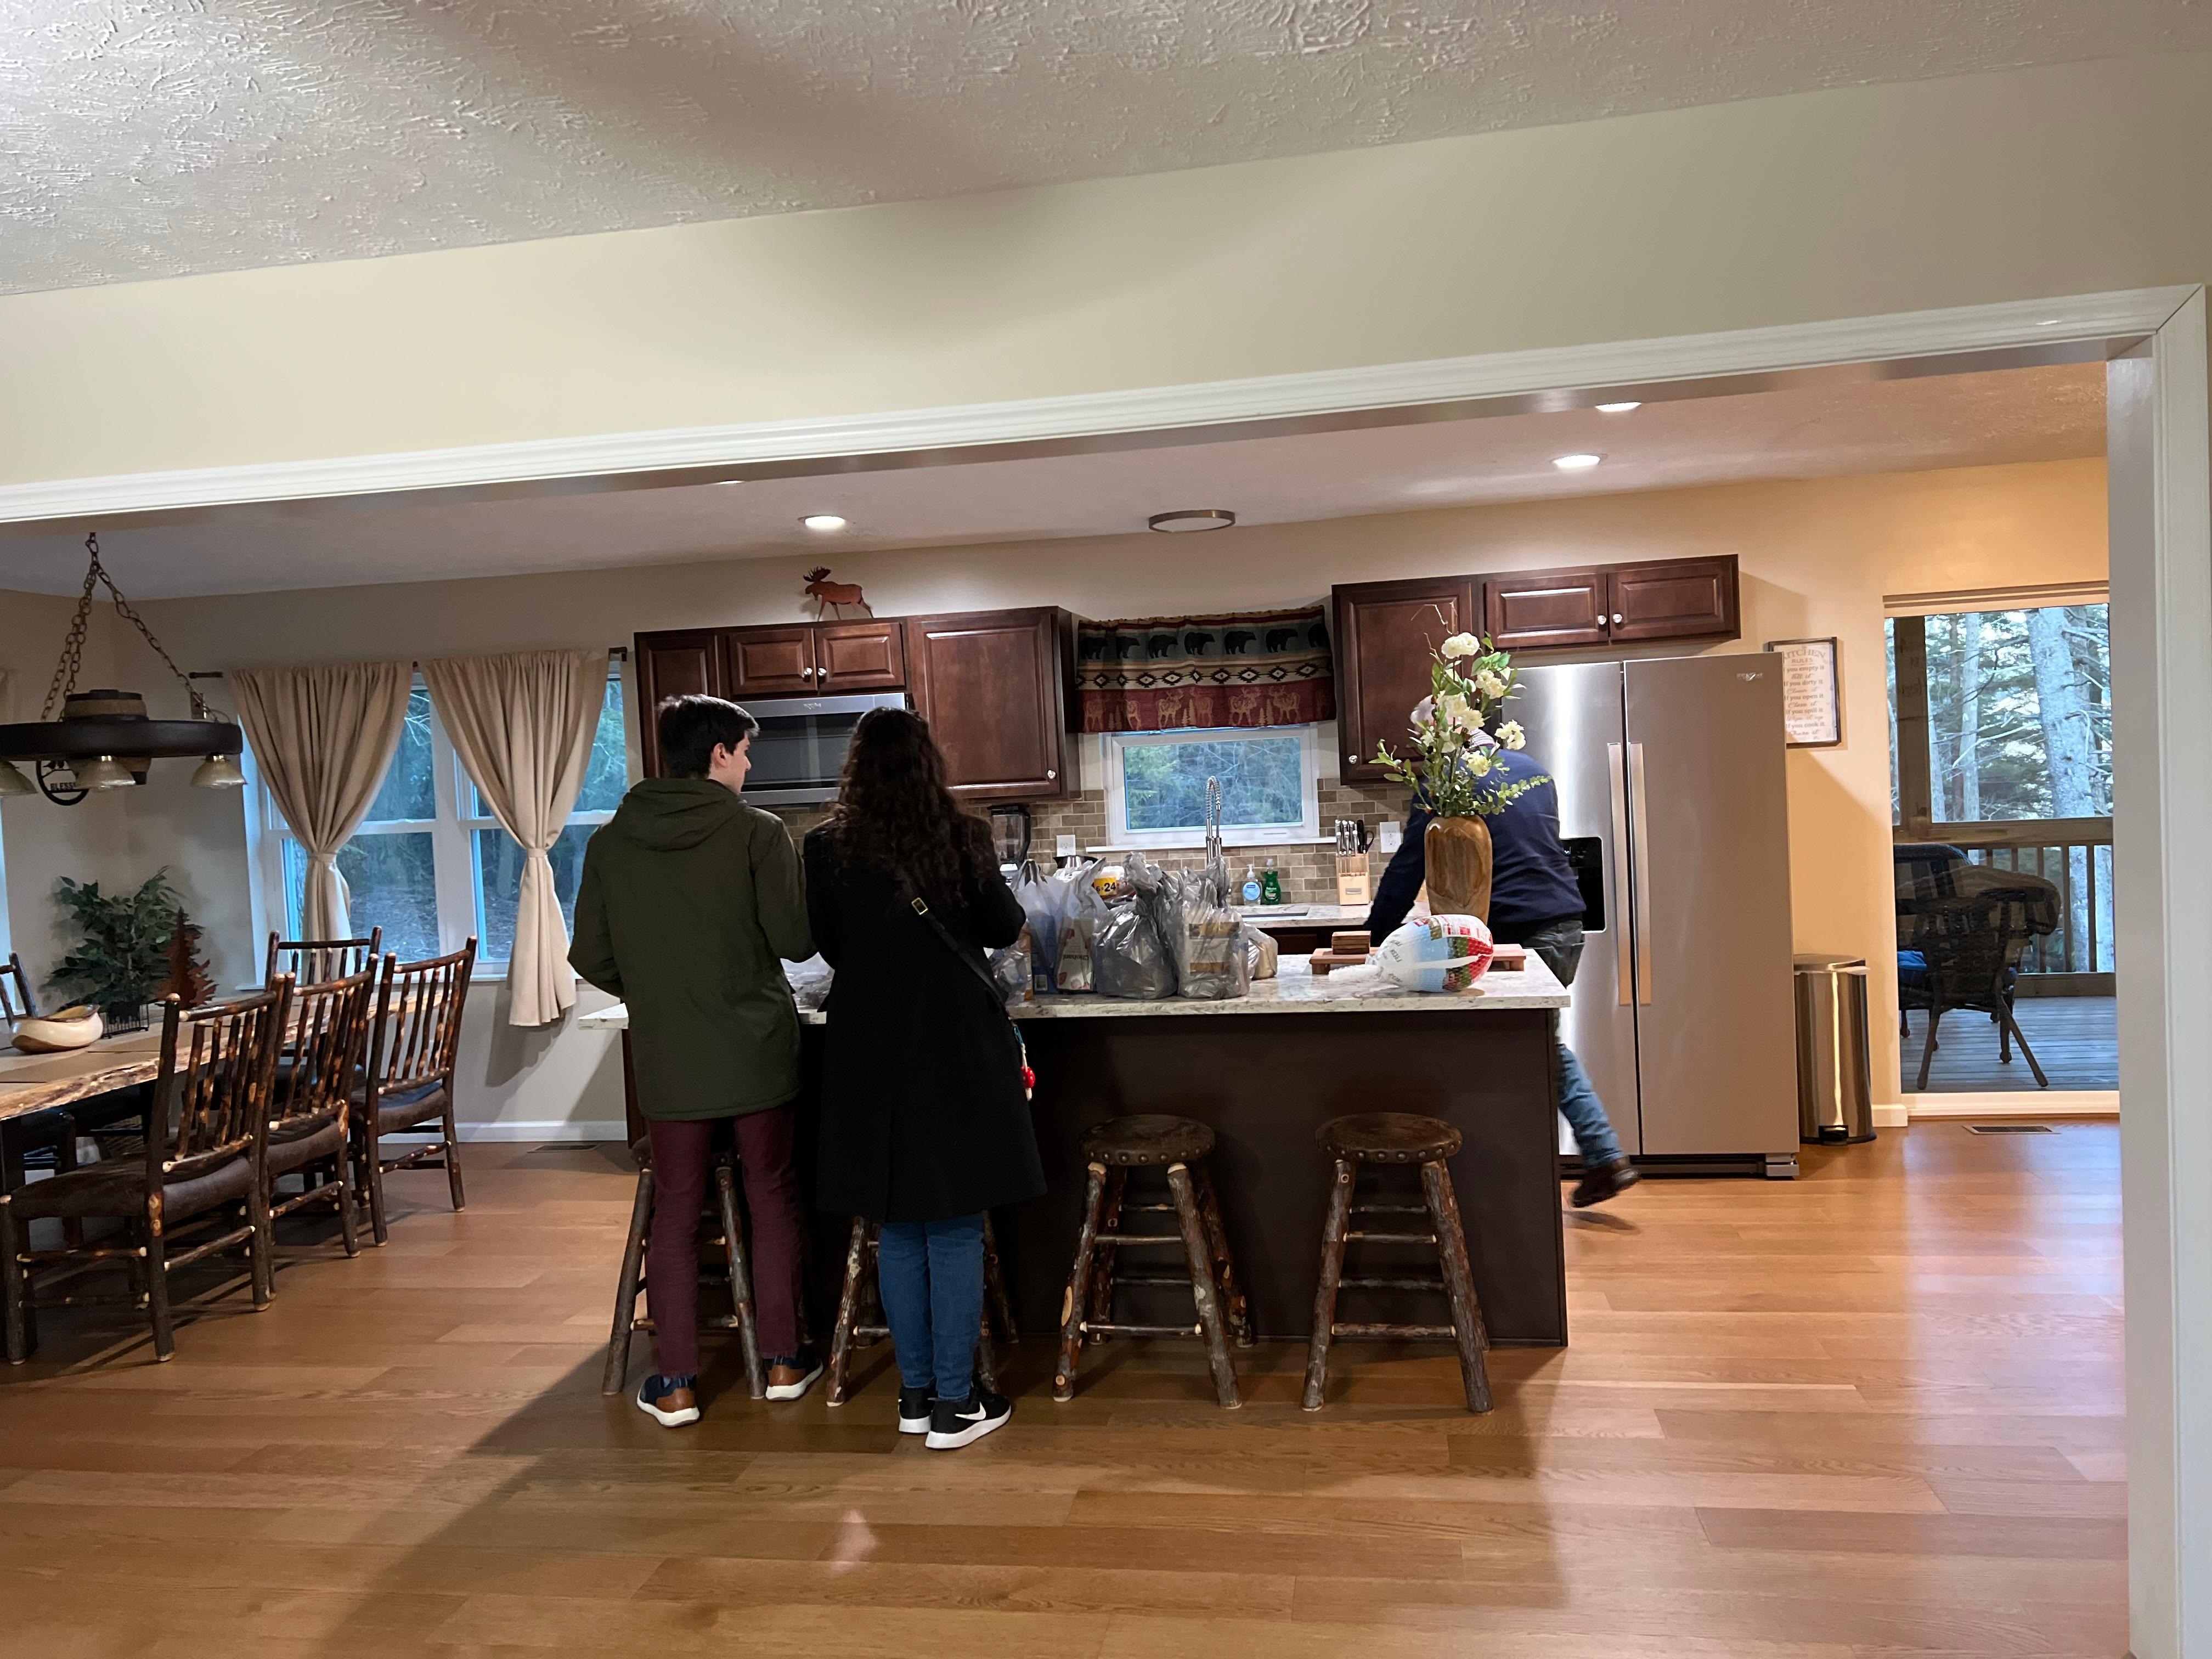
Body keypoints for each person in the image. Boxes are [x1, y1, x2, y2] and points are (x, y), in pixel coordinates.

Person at [570, 694, 819, 1426]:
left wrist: (659, 991)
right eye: (745, 753)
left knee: (676, 1211)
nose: (749, 767)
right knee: (771, 1196)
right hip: (756, 1051)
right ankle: (784, 1362)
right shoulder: (757, 833)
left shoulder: (611, 844)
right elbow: (796, 940)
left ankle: (675, 1382)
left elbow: (591, 955)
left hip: (670, 1057)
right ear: (718, 754)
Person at [804, 708, 1045, 1451]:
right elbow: (1002, 926)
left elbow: (828, 945)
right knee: (955, 1222)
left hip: (867, 1049)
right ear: (927, 763)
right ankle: (957, 1401)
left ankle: (914, 1398)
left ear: (855, 769)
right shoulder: (962, 837)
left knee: (900, 1225)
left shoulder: (824, 846)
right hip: (954, 1047)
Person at [1365, 741, 1640, 1209]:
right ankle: (1595, 1157)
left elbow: (1410, 865)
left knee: (1512, 1046)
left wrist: (1374, 941)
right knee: (1536, 1043)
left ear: (1437, 735)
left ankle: (1515, 1183)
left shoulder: (1446, 782)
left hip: (1513, 932)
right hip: (1564, 923)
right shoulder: (1534, 769)